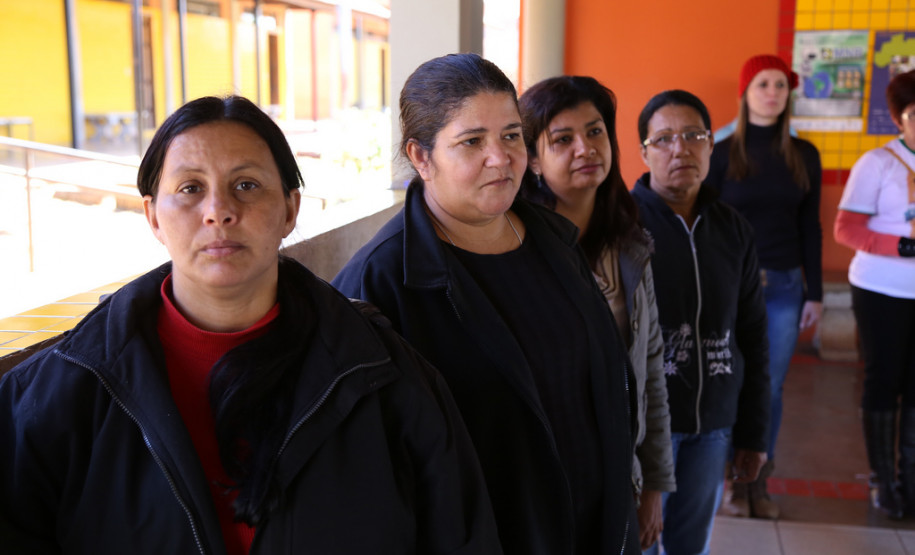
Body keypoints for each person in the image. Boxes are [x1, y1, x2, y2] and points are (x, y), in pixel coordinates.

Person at [0, 95, 503, 554]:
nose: (218, 211)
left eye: (246, 185)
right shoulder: (58, 394)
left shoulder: (385, 378)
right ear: (153, 217)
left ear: (289, 208)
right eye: (191, 188)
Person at [333, 53, 639, 554]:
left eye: (512, 135)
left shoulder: (552, 239)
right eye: (472, 141)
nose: (500, 157)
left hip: (596, 529)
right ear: (421, 156)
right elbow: (370, 472)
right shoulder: (381, 282)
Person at [517, 75, 674, 551]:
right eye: (562, 139)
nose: (585, 147)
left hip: (617, 473)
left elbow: (650, 373)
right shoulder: (515, 253)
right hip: (543, 483)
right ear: (534, 161)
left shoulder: (630, 248)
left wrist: (652, 485)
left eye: (595, 131)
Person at [632, 89, 770, 555]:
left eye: (693, 135)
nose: (680, 149)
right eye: (664, 138)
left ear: (712, 145)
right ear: (644, 151)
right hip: (646, 429)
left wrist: (753, 433)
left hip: (713, 425)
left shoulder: (733, 229)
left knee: (691, 546)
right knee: (641, 545)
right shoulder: (622, 226)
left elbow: (752, 335)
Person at [705, 54, 823, 520]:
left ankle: (758, 481)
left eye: (779, 84)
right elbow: (706, 222)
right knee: (727, 381)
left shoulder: (805, 154)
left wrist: (815, 293)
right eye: (762, 84)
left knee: (769, 388)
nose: (772, 92)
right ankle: (729, 482)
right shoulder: (721, 152)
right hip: (731, 287)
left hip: (785, 287)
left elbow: (810, 226)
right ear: (745, 92)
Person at [834, 69, 915, 520]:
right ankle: (883, 481)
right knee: (884, 381)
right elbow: (846, 229)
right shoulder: (878, 163)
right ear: (899, 118)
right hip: (881, 288)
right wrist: (904, 246)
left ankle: (911, 481)